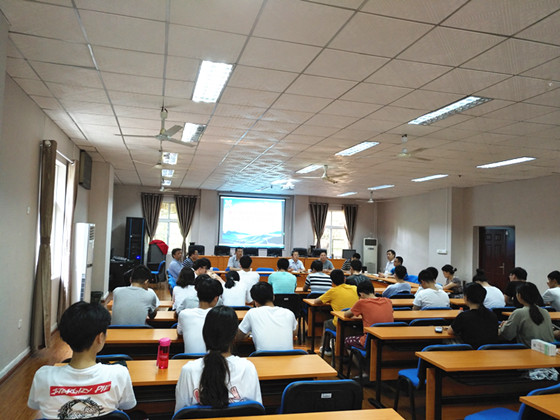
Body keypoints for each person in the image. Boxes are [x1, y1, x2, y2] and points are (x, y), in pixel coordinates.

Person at [28, 302, 136, 418]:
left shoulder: (43, 376)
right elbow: (127, 405)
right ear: (100, 337)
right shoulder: (119, 373)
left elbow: (35, 405)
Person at [175, 306, 262, 412]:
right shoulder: (248, 368)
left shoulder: (188, 371)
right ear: (235, 336)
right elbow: (257, 412)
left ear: (205, 334)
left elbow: (180, 414)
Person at [237, 282, 297, 351]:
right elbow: (294, 333)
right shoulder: (289, 313)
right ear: (273, 297)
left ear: (255, 302)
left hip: (262, 356)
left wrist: (248, 333)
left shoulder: (252, 313)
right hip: (288, 357)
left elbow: (238, 337)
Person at [312, 269, 358, 355]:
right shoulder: (355, 288)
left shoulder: (332, 291)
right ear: (344, 279)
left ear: (332, 282)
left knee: (327, 323)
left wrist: (329, 300)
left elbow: (316, 301)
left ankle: (326, 349)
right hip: (356, 322)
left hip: (341, 323)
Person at [177, 275, 223, 354]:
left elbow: (179, 333)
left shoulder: (184, 314)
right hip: (214, 359)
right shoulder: (222, 316)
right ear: (216, 299)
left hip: (189, 359)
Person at [499, 282, 554, 347]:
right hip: (548, 349)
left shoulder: (518, 313)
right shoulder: (545, 312)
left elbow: (507, 335)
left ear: (519, 296)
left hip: (529, 350)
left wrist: (504, 326)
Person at [343, 281, 393, 350]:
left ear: (361, 294)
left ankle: (357, 357)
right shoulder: (388, 301)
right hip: (388, 339)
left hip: (370, 340)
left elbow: (346, 315)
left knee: (347, 340)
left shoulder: (361, 302)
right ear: (374, 292)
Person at [448, 283, 498, 349]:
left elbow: (450, 331)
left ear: (466, 297)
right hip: (489, 352)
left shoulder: (463, 316)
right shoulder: (493, 315)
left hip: (469, 352)